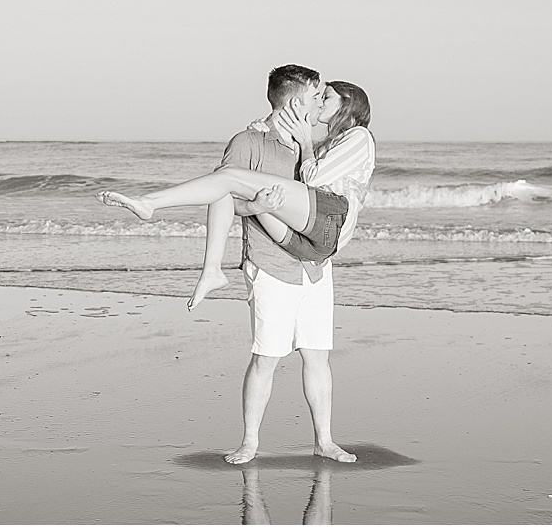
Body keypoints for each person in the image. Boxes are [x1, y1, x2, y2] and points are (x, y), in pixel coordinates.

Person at [99, 64, 366, 464]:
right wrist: (256, 206)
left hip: (313, 266)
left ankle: (324, 441)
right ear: (296, 101)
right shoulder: (249, 141)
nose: (319, 104)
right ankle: (250, 442)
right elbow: (223, 198)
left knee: (317, 355)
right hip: (271, 263)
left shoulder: (317, 143)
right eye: (316, 96)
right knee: (266, 358)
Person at [96, 80, 376, 312]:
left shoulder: (360, 136)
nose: (320, 102)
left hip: (330, 220)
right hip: (310, 246)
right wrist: (266, 127)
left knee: (228, 175)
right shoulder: (329, 143)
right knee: (226, 185)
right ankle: (211, 271)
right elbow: (302, 168)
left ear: (347, 103)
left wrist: (304, 141)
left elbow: (312, 177)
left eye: (326, 97)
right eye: (317, 96)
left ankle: (149, 203)